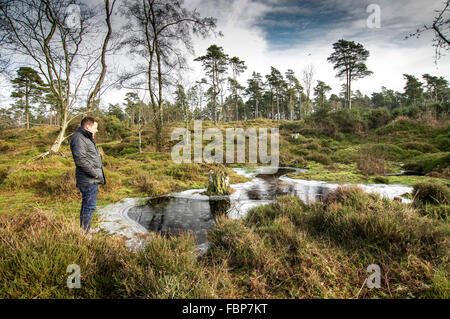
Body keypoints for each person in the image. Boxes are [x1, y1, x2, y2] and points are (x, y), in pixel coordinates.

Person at [70, 116, 106, 233]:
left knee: (88, 206)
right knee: (88, 207)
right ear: (87, 126)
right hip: (88, 179)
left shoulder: (85, 137)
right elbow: (80, 160)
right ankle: (85, 232)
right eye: (95, 128)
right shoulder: (79, 138)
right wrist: (95, 174)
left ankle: (86, 229)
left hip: (90, 179)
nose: (96, 130)